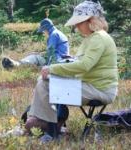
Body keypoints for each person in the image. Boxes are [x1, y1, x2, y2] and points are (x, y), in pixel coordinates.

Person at [28, 1, 118, 143]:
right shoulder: (90, 39)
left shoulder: (98, 37)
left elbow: (84, 66)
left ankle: (50, 131)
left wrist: (53, 68)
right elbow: (81, 63)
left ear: (91, 20)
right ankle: (48, 127)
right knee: (43, 82)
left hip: (99, 90)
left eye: (79, 22)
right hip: (88, 85)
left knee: (45, 84)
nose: (76, 27)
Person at [2, 18, 69, 68]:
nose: (43, 32)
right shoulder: (58, 33)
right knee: (36, 58)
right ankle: (18, 64)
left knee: (34, 57)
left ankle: (16, 64)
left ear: (46, 29)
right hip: (62, 59)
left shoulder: (53, 35)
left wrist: (36, 53)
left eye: (43, 30)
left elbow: (50, 52)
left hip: (56, 60)